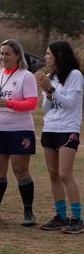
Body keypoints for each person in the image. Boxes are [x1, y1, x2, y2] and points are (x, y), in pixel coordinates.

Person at [0, 39, 39, 226]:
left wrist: (8, 103)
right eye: (1, 53)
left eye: (7, 53)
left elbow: (31, 103)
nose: (3, 57)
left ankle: (28, 212)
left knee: (20, 170)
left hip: (19, 129)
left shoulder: (26, 76)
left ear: (17, 56)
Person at [35, 41, 82, 233]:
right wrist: (46, 90)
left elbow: (70, 104)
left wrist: (51, 89)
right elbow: (46, 108)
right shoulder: (50, 76)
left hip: (67, 129)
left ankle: (77, 218)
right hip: (50, 128)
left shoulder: (75, 75)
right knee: (53, 175)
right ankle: (60, 216)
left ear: (59, 56)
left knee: (64, 174)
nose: (45, 57)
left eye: (48, 54)